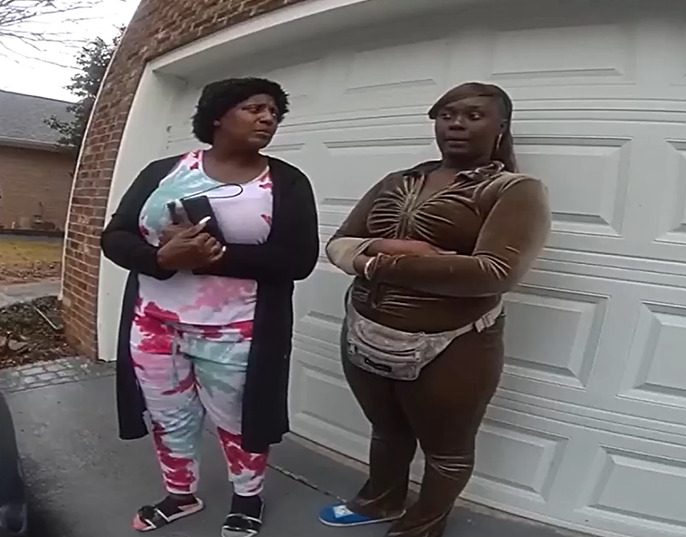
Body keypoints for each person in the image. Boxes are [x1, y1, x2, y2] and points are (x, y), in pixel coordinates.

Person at [319, 82, 551, 537]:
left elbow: (495, 272)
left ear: (501, 127)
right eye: (446, 115)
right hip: (364, 330)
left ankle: (421, 527)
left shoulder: (515, 189)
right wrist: (399, 250)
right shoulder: (399, 179)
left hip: (453, 344)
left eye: (473, 115)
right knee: (387, 430)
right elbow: (337, 244)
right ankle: (380, 499)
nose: (457, 124)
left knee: (447, 449)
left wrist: (369, 260)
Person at [101, 77, 319, 536]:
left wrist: (210, 256)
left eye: (274, 113)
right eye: (254, 108)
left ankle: (246, 499)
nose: (267, 118)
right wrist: (159, 258)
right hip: (155, 325)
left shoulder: (286, 181)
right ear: (218, 115)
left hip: (239, 331)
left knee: (240, 422)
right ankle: (181, 494)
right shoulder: (164, 171)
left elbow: (298, 259)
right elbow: (115, 235)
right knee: (168, 416)